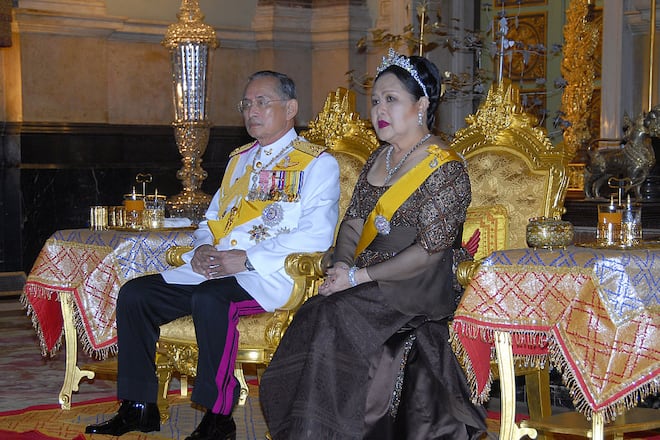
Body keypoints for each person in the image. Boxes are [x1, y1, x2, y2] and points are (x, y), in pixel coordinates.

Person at [85, 70, 341, 440]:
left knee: (210, 299)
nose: (252, 111)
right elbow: (212, 220)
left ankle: (219, 417)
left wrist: (247, 259)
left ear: (290, 109)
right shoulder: (240, 160)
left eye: (262, 102)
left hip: (266, 276)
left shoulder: (316, 163)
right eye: (246, 104)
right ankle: (139, 406)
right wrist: (203, 247)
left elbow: (316, 234)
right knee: (136, 295)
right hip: (217, 269)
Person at [259, 49, 488, 439]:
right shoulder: (379, 158)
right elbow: (352, 223)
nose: (380, 109)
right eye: (376, 100)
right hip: (368, 277)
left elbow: (429, 252)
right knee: (316, 311)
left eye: (391, 99)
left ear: (421, 105)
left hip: (418, 283)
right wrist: (341, 267)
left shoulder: (445, 167)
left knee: (334, 314)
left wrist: (356, 277)